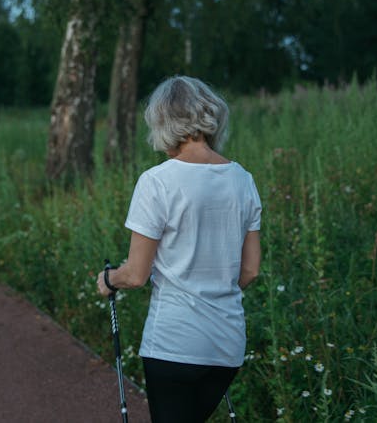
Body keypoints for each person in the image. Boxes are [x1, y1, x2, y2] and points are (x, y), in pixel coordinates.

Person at [97, 75, 262, 423]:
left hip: (174, 343)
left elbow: (136, 275)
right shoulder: (243, 180)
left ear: (162, 124)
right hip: (227, 345)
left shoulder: (157, 182)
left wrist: (109, 279)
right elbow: (250, 271)